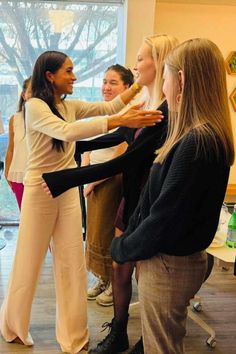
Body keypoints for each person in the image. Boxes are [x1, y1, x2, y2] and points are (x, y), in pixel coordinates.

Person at [0, 50, 163, 354]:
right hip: (40, 191)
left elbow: (110, 105)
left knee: (72, 261)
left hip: (67, 188)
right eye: (69, 71)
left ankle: (75, 338)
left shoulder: (68, 105)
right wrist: (118, 119)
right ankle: (13, 326)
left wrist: (139, 85)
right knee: (28, 261)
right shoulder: (35, 107)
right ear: (50, 76)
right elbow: (66, 131)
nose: (74, 77)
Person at [42, 34, 179, 354]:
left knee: (143, 273)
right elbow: (118, 134)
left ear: (159, 63)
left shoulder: (166, 110)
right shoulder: (146, 101)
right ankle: (119, 332)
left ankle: (149, 337)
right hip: (131, 195)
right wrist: (72, 145)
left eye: (142, 58)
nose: (136, 63)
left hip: (149, 199)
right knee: (120, 265)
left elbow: (130, 157)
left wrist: (66, 177)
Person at [110, 38, 234, 354]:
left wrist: (122, 247)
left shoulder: (196, 142)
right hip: (176, 261)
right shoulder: (204, 135)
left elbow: (164, 218)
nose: (163, 87)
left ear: (181, 80)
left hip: (168, 265)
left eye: (166, 76)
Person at [84, 64, 134, 306]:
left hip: (111, 180)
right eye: (104, 81)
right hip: (92, 180)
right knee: (94, 231)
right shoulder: (101, 112)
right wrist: (86, 174)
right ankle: (102, 278)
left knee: (107, 232)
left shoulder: (130, 113)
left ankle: (114, 283)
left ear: (127, 87)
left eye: (113, 82)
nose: (106, 87)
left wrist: (93, 180)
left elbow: (121, 156)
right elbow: (89, 143)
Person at [4, 77, 31, 209]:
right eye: (31, 92)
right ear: (23, 95)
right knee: (25, 216)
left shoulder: (47, 119)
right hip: (18, 174)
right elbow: (11, 148)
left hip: (39, 176)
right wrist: (7, 171)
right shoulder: (14, 119)